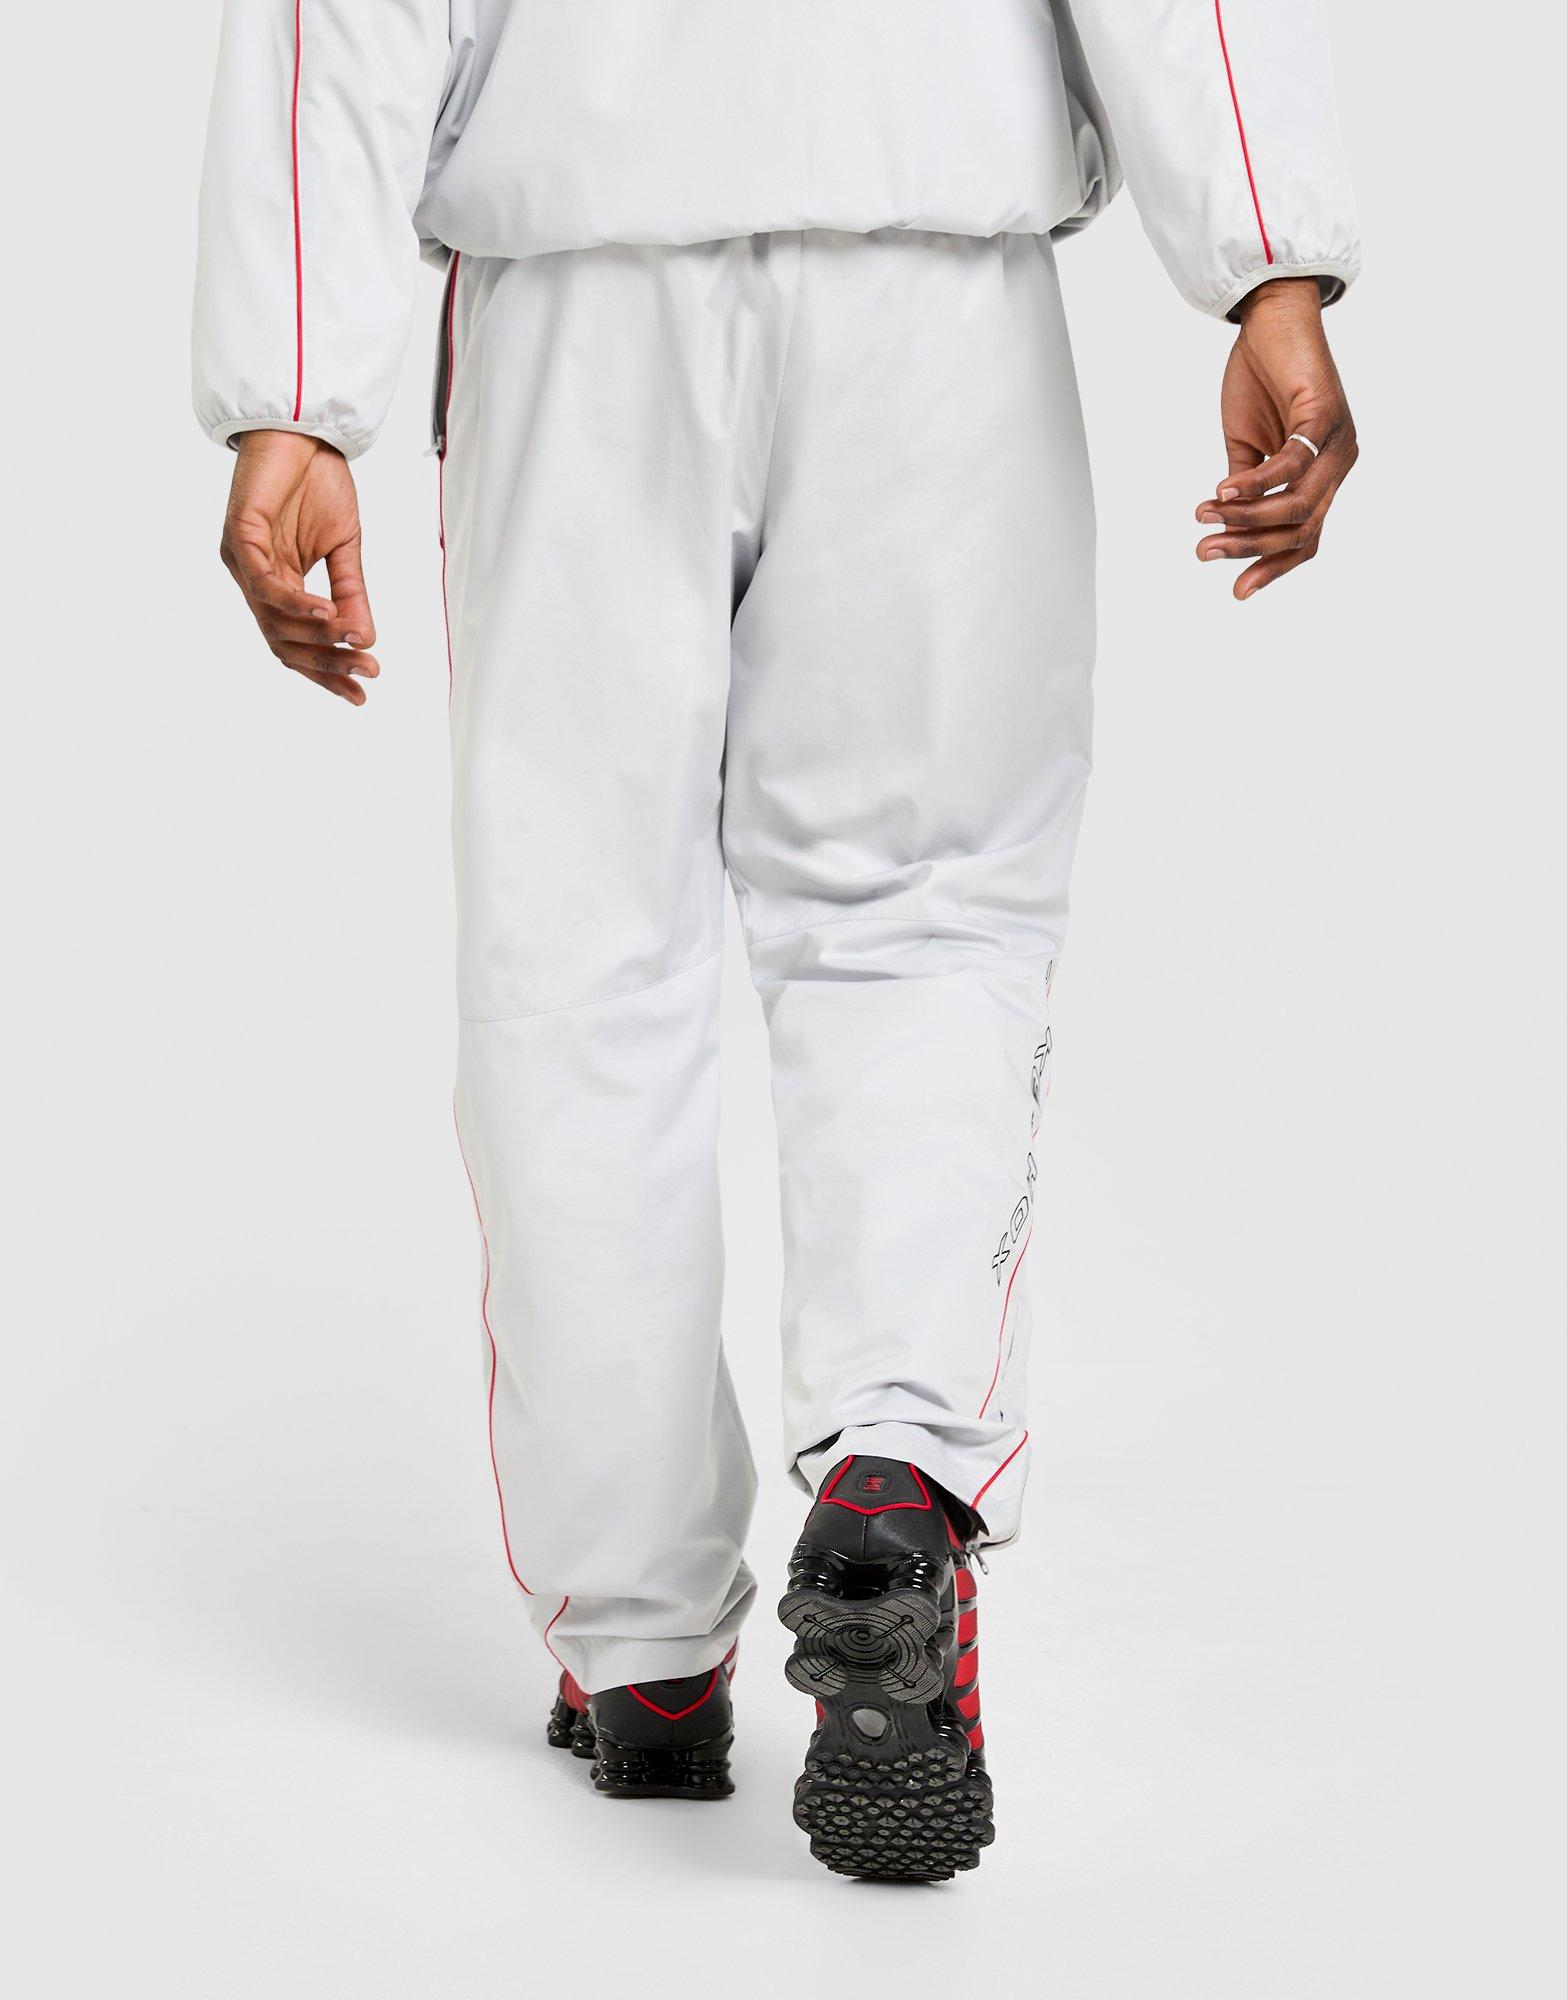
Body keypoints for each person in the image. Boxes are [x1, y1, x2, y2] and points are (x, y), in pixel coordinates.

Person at [195, 1, 1359, 1881]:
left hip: (580, 286)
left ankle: (644, 1648)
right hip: (934, 272)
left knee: (584, 966)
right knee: (925, 912)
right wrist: (1268, 261)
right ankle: (895, 1470)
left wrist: (296, 391)